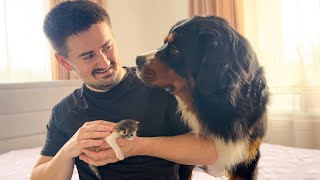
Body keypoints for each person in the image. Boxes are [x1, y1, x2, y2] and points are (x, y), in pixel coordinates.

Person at [30, 1, 217, 180]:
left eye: (107, 47)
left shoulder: (161, 86)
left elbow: (211, 150)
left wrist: (138, 146)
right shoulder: (64, 112)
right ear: (64, 62)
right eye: (88, 56)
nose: (104, 62)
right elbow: (39, 176)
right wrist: (69, 149)